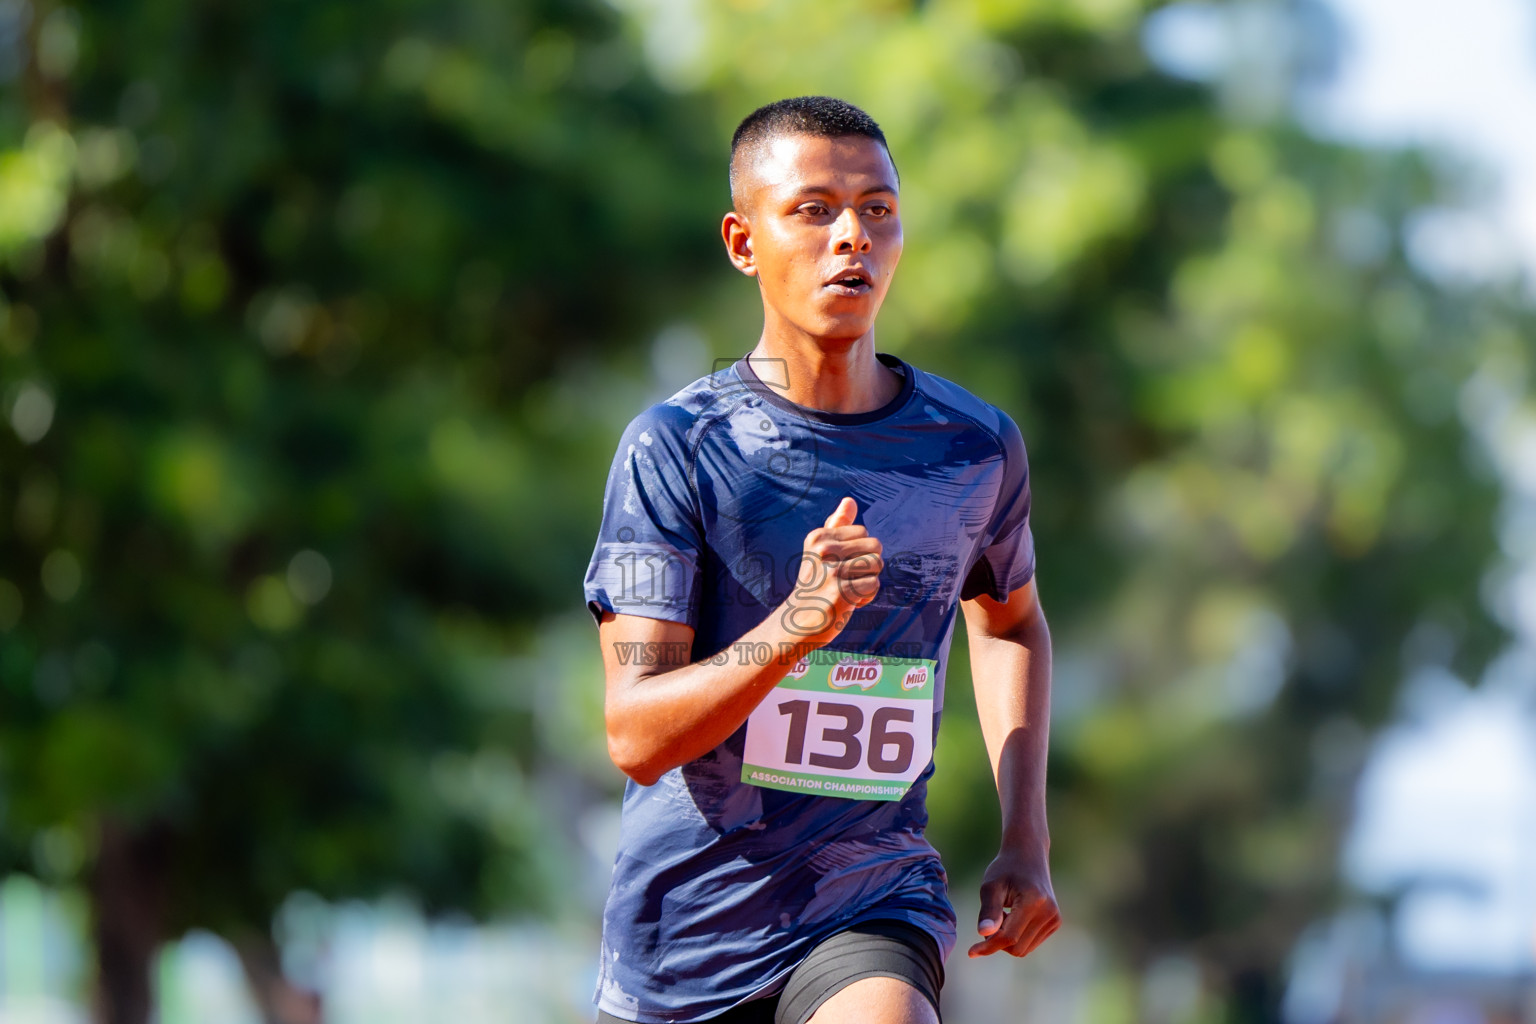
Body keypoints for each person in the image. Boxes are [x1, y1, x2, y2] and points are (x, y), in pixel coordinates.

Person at [582, 96, 1059, 1024]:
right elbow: (636, 736)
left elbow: (1011, 622)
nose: (852, 236)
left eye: (878, 209)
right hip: (685, 943)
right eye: (814, 210)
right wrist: (797, 627)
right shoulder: (677, 449)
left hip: (871, 895)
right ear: (742, 241)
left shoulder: (973, 448)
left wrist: (1026, 839)